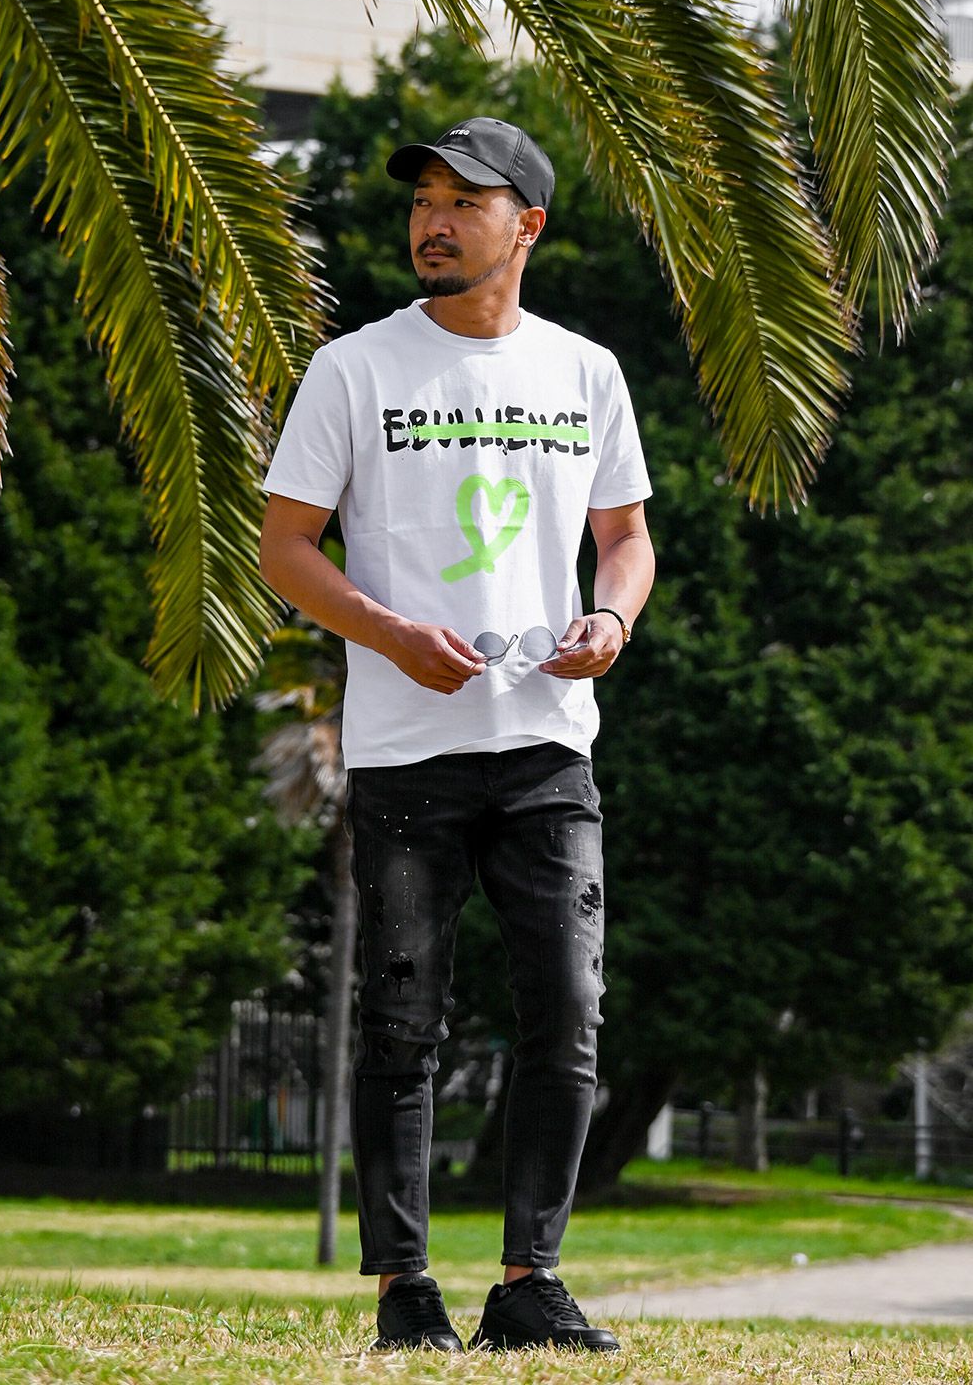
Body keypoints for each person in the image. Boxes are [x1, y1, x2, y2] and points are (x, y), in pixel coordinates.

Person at [259, 116, 655, 1353]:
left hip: (548, 742)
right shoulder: (353, 369)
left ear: (524, 224)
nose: (432, 220)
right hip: (404, 748)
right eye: (423, 198)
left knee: (568, 1007)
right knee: (401, 1019)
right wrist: (386, 633)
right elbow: (284, 548)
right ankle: (404, 1288)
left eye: (462, 201)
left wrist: (610, 619)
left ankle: (531, 1278)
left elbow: (626, 539)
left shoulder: (584, 371)